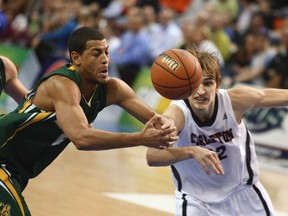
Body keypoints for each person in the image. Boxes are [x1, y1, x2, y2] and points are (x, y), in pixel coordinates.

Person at [0, 26, 178, 216]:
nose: (105, 59)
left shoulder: (114, 88)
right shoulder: (62, 84)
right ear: (76, 58)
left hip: (18, 172)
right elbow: (82, 138)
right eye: (96, 53)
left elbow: (158, 122)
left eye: (107, 52)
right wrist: (140, 138)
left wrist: (172, 123)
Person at [146, 49, 281, 215]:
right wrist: (191, 151)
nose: (201, 91)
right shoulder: (177, 114)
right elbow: (152, 156)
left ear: (218, 84)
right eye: (195, 84)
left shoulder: (235, 100)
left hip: (244, 194)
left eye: (208, 83)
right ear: (185, 87)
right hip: (197, 201)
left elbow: (273, 96)